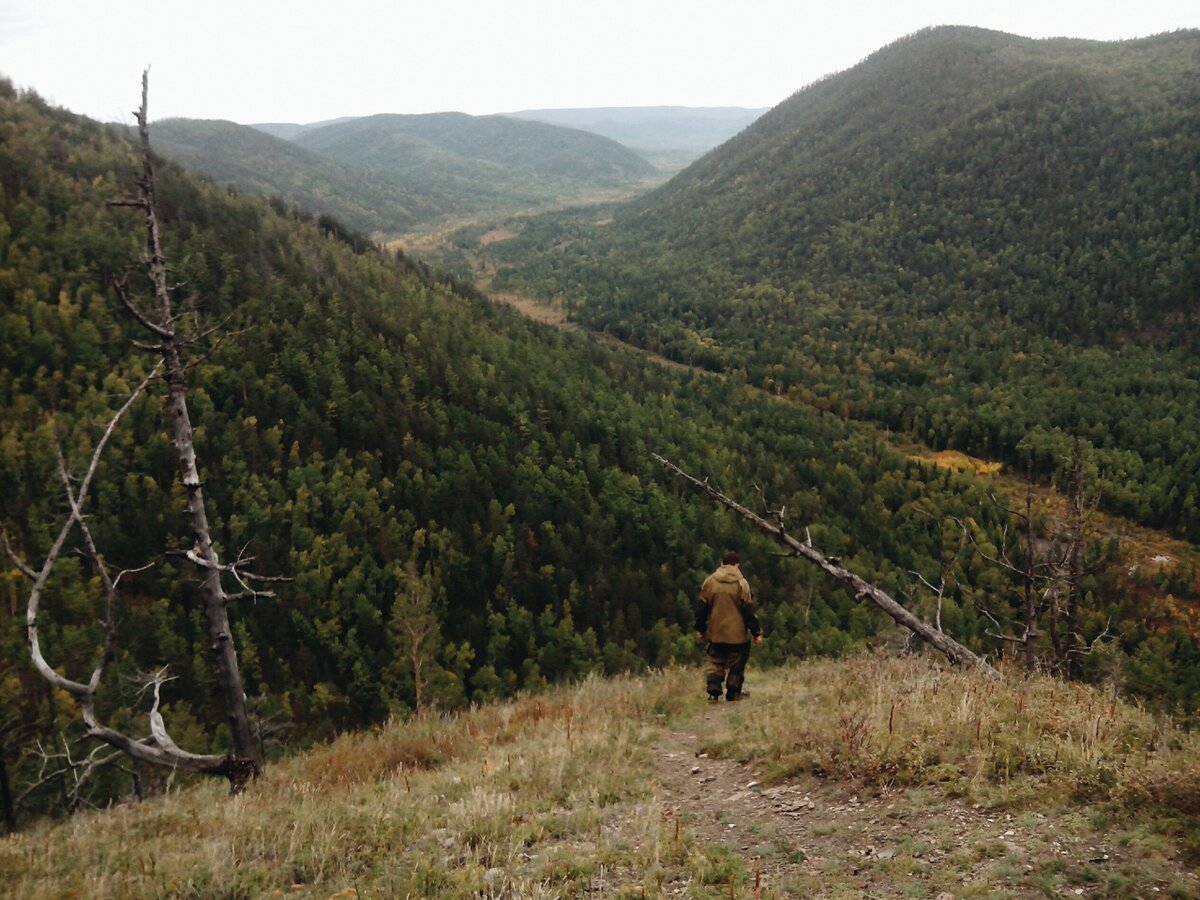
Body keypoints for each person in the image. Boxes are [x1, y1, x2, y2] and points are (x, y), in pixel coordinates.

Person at [695, 550, 762, 702]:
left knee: (716, 661)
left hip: (716, 632)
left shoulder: (710, 582)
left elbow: (702, 608)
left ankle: (714, 691)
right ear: (737, 565)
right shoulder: (742, 584)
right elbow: (748, 611)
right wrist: (756, 632)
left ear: (722, 564)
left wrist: (701, 629)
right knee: (736, 664)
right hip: (737, 635)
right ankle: (733, 692)